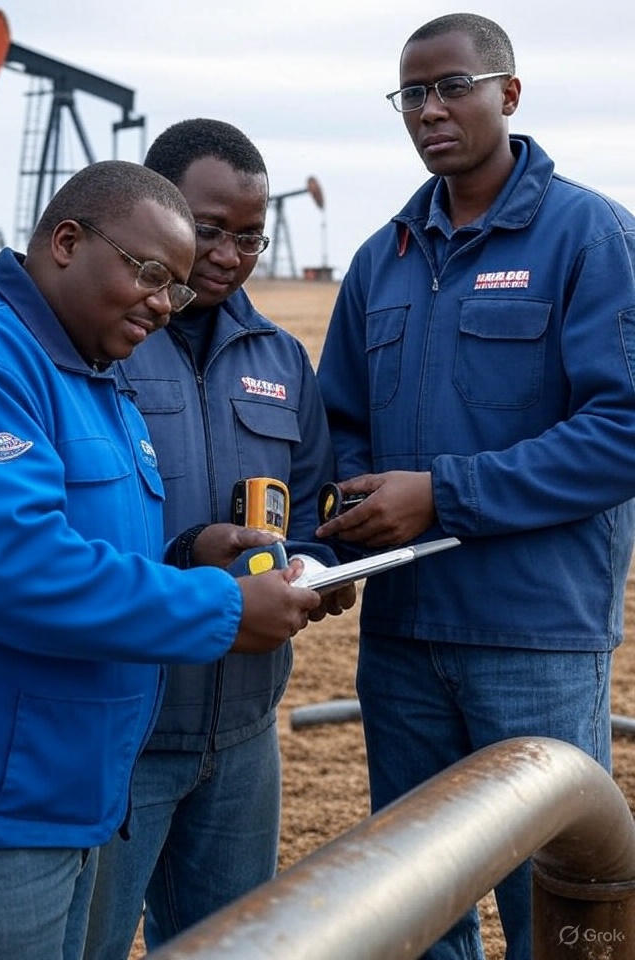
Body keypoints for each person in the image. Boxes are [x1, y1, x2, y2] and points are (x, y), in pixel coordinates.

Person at [0, 159, 323, 960]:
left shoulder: (95, 376)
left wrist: (187, 552)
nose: (165, 306)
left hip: (70, 797)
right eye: (149, 274)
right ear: (67, 241)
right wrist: (223, 608)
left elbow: (93, 547)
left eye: (175, 288)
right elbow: (16, 574)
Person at [315, 13, 635, 960]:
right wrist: (338, 521)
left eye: (452, 86)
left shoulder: (590, 238)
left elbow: (622, 432)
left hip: (531, 635)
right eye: (411, 94)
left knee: (557, 901)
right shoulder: (384, 257)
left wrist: (442, 495)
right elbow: (340, 424)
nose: (430, 110)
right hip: (403, 635)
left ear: (509, 93)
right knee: (417, 904)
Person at [84, 119, 355, 958]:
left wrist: (325, 566)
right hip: (121, 732)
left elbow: (310, 502)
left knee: (235, 945)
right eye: (209, 229)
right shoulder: (96, 347)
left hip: (243, 735)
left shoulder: (278, 356)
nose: (230, 255)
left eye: (249, 236)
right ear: (157, 208)